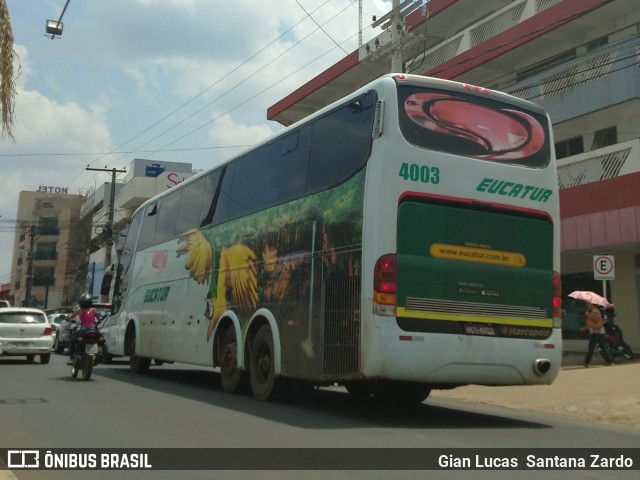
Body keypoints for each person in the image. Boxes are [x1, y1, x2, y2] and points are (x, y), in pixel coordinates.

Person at [66, 293, 101, 365]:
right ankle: (98, 354)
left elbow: (71, 317)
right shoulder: (94, 310)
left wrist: (67, 318)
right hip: (93, 329)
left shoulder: (79, 310)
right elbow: (99, 320)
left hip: (83, 330)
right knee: (100, 338)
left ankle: (72, 357)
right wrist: (96, 324)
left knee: (72, 340)